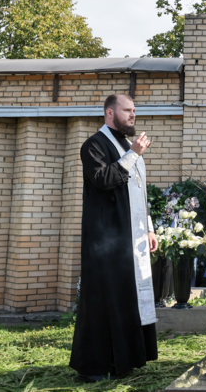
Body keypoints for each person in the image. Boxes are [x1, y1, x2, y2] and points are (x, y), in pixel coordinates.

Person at [70, 94, 158, 381]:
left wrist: (149, 228)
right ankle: (95, 367)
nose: (133, 115)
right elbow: (102, 179)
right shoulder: (94, 144)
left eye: (134, 110)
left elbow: (140, 191)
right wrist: (134, 154)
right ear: (110, 112)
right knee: (103, 300)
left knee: (126, 297)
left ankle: (125, 361)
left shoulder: (126, 145)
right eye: (127, 110)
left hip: (131, 239)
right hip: (105, 239)